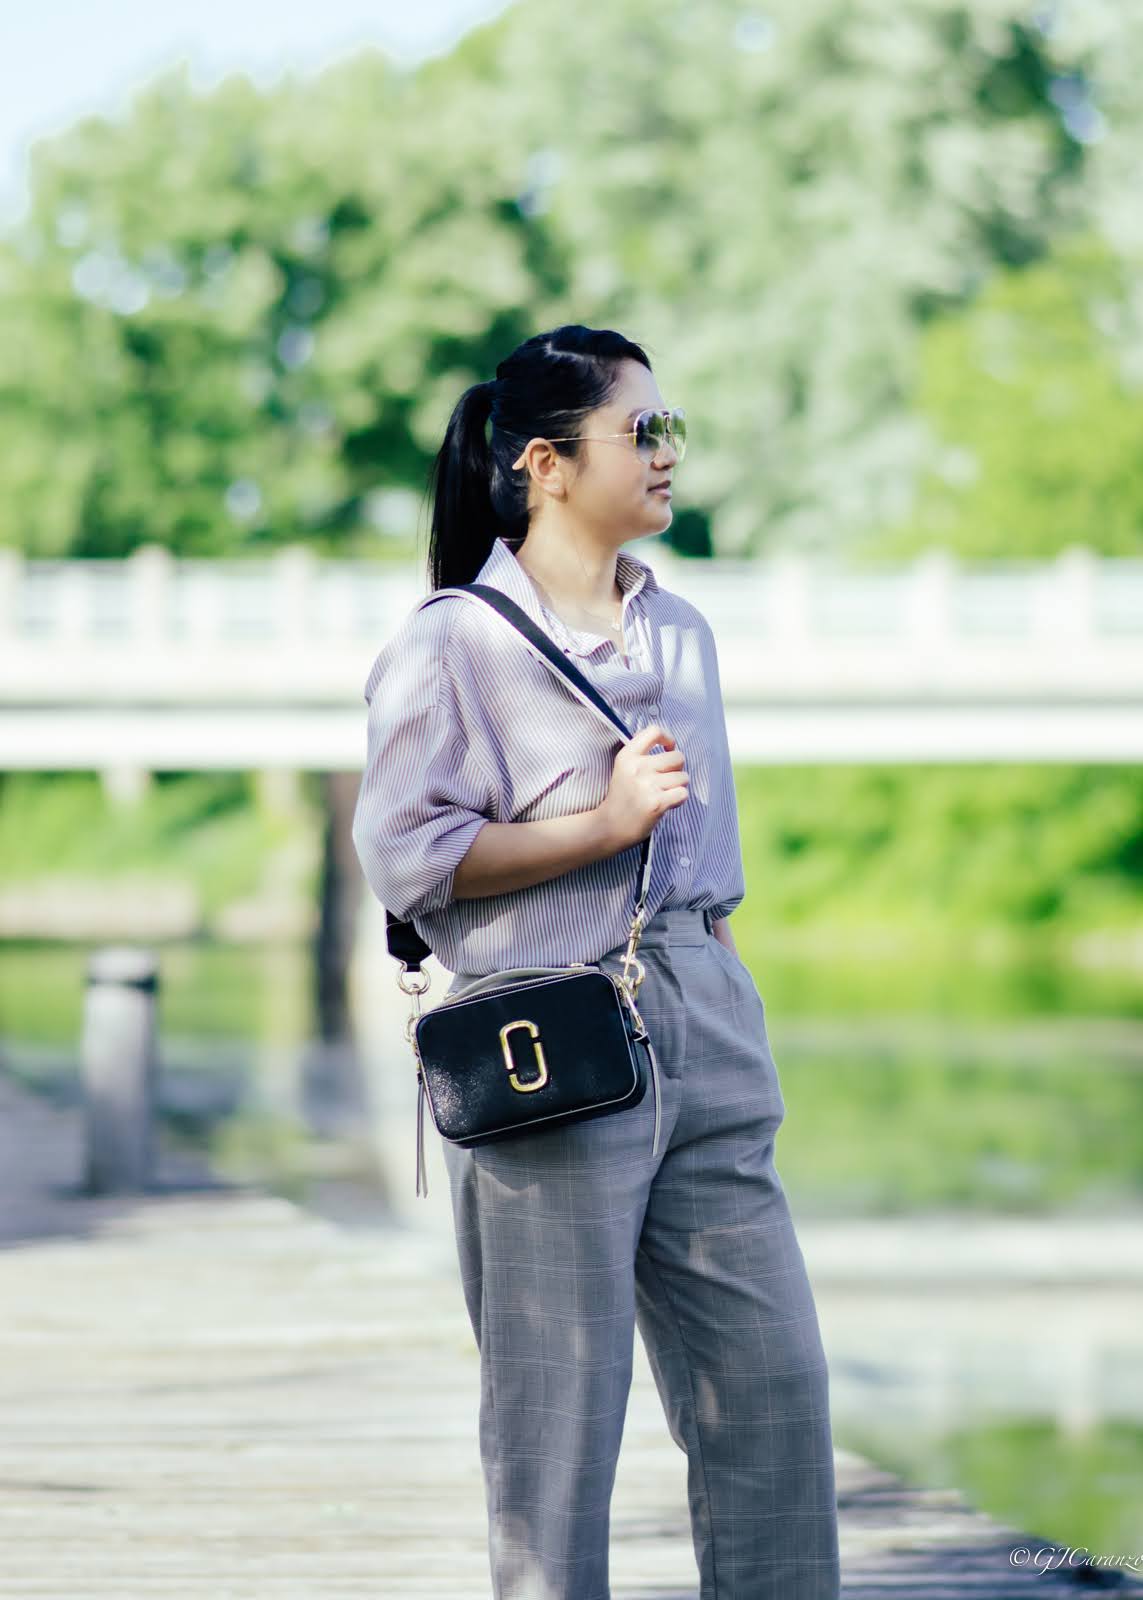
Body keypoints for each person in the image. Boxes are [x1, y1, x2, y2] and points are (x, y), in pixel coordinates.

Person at [351, 324, 841, 1600]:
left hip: (706, 1017)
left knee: (774, 1391)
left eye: (670, 429)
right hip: (546, 1044)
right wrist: (601, 824)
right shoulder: (450, 642)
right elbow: (409, 859)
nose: (669, 452)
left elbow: (702, 860)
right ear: (546, 466)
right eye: (645, 430)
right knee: (558, 1430)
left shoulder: (681, 629)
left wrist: (717, 976)